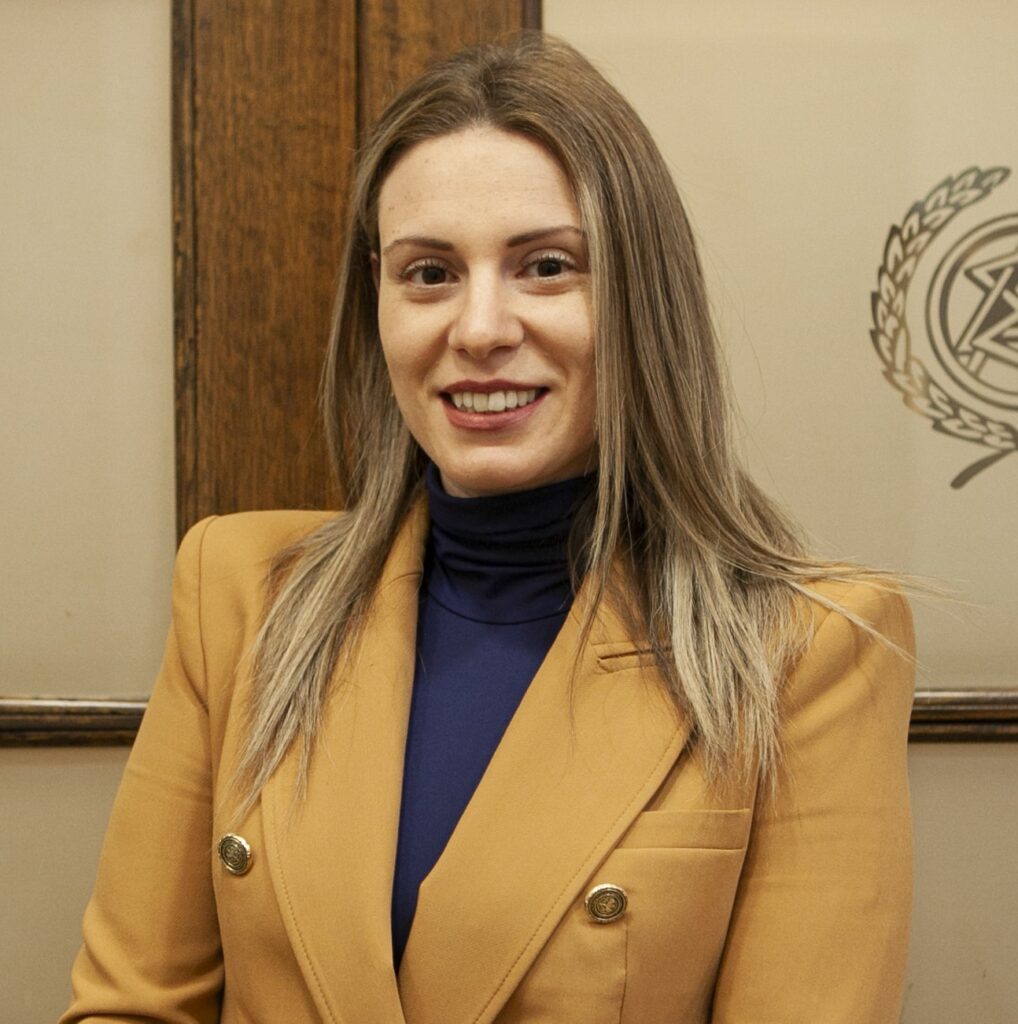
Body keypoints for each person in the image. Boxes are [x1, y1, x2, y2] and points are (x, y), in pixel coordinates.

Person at [62, 34, 914, 1024]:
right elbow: (129, 1005)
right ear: (378, 303)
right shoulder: (239, 592)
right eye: (428, 273)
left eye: (545, 266)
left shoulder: (808, 652)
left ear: (641, 296)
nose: (478, 329)